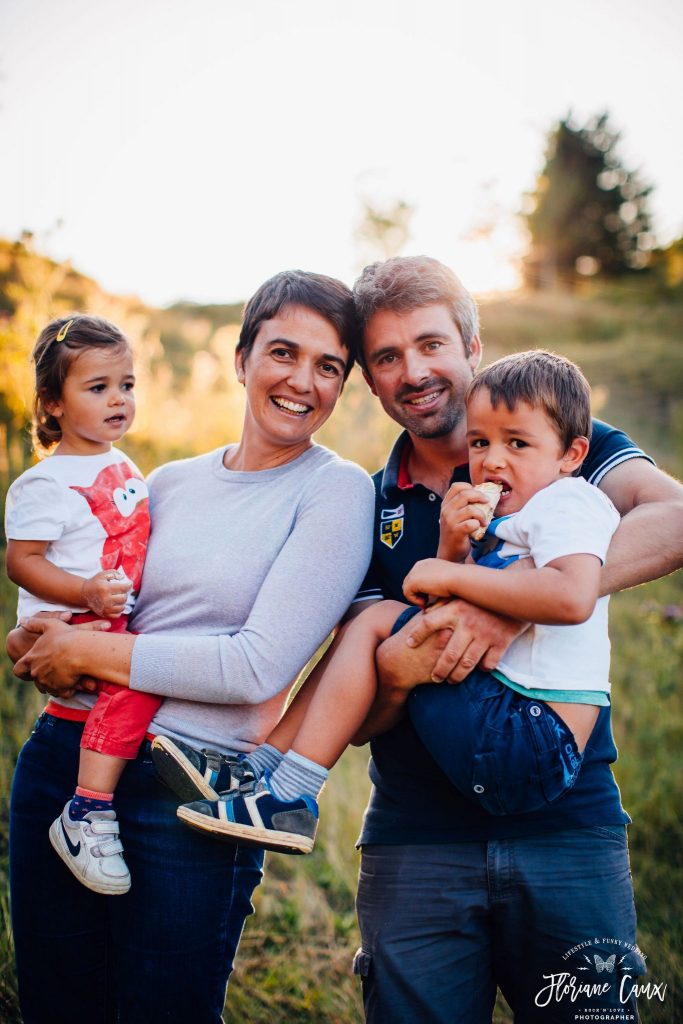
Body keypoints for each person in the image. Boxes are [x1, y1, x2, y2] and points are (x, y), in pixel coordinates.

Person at [7, 270, 375, 1024]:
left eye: (328, 366)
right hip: (63, 762)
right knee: (55, 1004)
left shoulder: (334, 493)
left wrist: (87, 654)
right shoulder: (164, 482)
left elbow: (252, 668)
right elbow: (87, 600)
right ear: (241, 360)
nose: (301, 381)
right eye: (282, 352)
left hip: (190, 795)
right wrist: (41, 635)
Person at [345, 257, 682, 1023]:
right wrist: (395, 678)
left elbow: (675, 517)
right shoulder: (368, 506)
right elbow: (361, 717)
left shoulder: (558, 438)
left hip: (569, 828)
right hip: (415, 840)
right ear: (369, 380)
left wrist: (513, 601)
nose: (415, 371)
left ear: (472, 347)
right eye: (387, 357)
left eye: (431, 344)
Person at [158, 349, 621, 853]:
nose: (492, 460)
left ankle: (290, 792)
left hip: (535, 738)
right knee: (370, 628)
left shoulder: (569, 501)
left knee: (379, 618)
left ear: (573, 455)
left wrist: (444, 570)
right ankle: (259, 771)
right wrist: (453, 546)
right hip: (505, 721)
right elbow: (442, 617)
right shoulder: (508, 522)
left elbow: (573, 597)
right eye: (481, 442)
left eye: (518, 444)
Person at [5, 313, 158, 896]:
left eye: (127, 385)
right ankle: (87, 812)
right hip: (66, 620)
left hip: (106, 616)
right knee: (137, 682)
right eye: (98, 388)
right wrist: (85, 592)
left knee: (131, 687)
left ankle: (93, 802)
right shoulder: (48, 482)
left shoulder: (122, 465)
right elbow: (23, 561)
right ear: (52, 402)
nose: (118, 400)